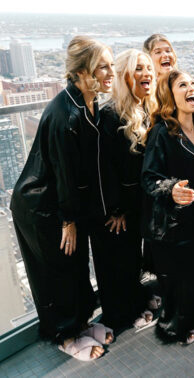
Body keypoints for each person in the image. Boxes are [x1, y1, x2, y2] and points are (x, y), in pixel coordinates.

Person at [10, 35, 115, 361]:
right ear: (83, 72)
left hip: (63, 203)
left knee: (76, 265)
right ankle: (65, 336)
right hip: (42, 206)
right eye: (103, 67)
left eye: (111, 65)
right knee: (57, 271)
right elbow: (64, 172)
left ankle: (81, 324)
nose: (110, 72)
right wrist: (68, 221)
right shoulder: (65, 115)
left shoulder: (86, 102)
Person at [141, 70, 194, 345]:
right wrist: (172, 189)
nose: (192, 88)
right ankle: (174, 329)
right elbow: (148, 178)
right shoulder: (162, 133)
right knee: (180, 284)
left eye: (193, 84)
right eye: (183, 85)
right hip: (174, 227)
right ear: (170, 95)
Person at [95, 49, 160, 332]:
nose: (146, 73)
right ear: (124, 76)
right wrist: (116, 209)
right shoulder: (110, 114)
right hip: (118, 205)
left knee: (133, 256)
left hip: (137, 201)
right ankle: (122, 314)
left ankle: (137, 300)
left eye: (148, 68)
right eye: (138, 69)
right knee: (118, 260)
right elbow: (104, 168)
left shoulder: (144, 108)